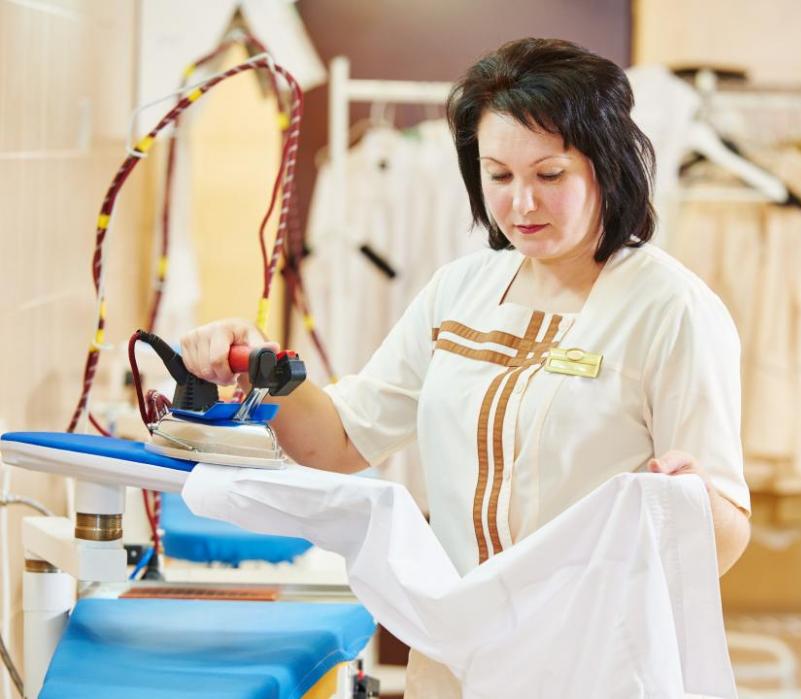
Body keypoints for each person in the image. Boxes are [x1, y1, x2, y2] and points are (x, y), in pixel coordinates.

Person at [180, 37, 751, 698]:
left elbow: (725, 535)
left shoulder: (670, 309)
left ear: (608, 164)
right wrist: (257, 361)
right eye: (499, 176)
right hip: (455, 657)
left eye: (550, 175)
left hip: (594, 662)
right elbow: (336, 441)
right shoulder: (460, 291)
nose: (522, 204)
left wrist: (689, 501)